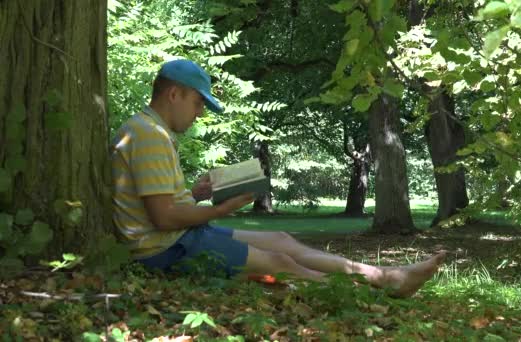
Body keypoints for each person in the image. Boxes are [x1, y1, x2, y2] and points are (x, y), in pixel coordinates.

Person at [111, 59, 446, 297]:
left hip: (182, 237)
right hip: (166, 249)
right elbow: (164, 217)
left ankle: (385, 275)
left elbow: (163, 205)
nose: (199, 113)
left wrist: (197, 195)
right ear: (174, 94)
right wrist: (221, 209)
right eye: (198, 102)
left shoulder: (148, 130)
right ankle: (378, 292)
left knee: (283, 240)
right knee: (281, 262)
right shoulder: (148, 135)